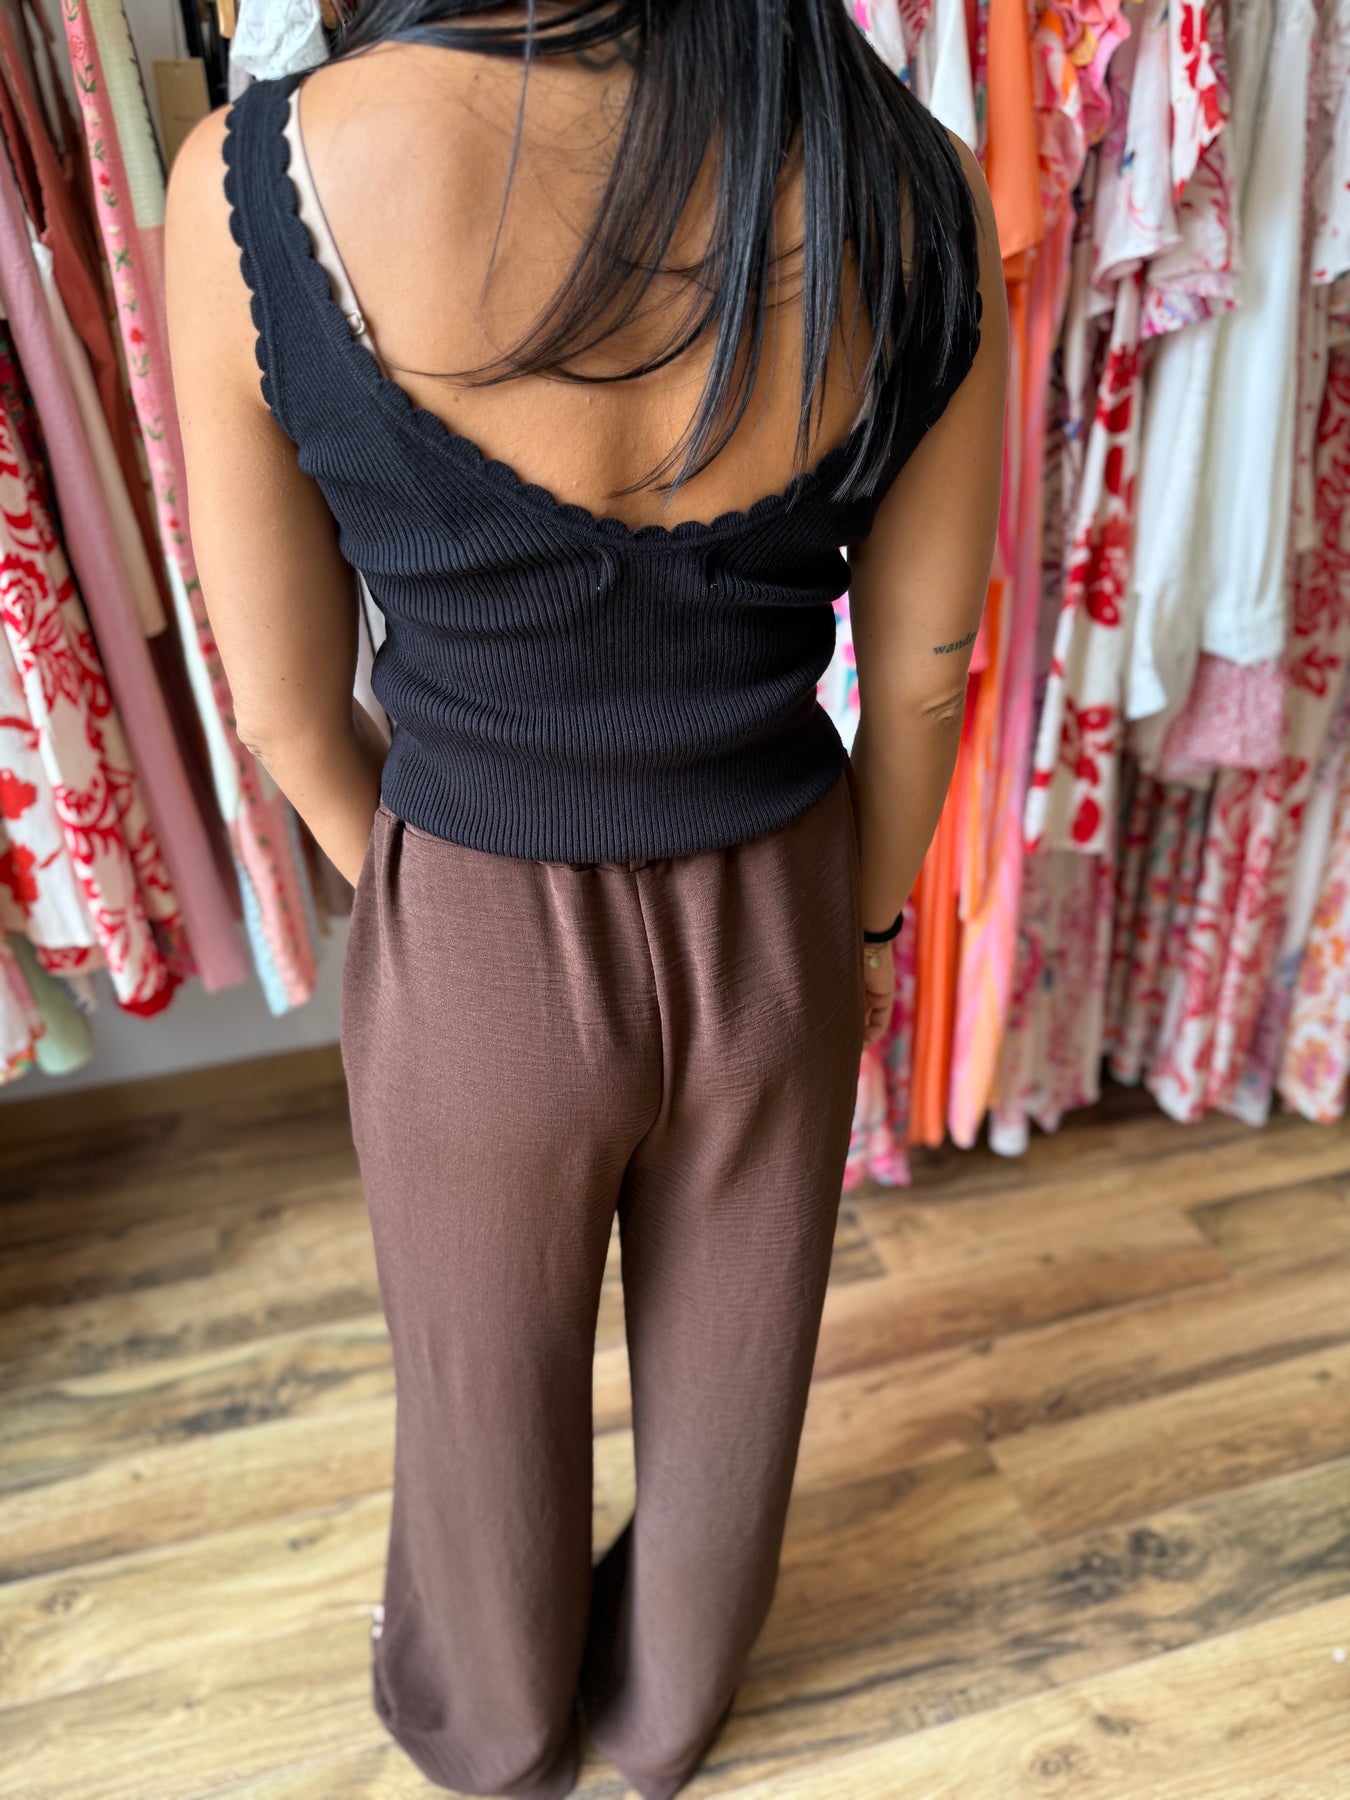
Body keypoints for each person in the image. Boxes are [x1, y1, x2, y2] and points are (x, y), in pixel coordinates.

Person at [165, 2, 1006, 1794]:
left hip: (471, 905)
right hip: (776, 901)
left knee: (480, 1388)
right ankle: (662, 1713)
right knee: (736, 1382)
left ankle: (495, 1728)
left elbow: (285, 708)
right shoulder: (912, 178)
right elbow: (925, 679)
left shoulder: (268, 172)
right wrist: (854, 930)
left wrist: (429, 909)